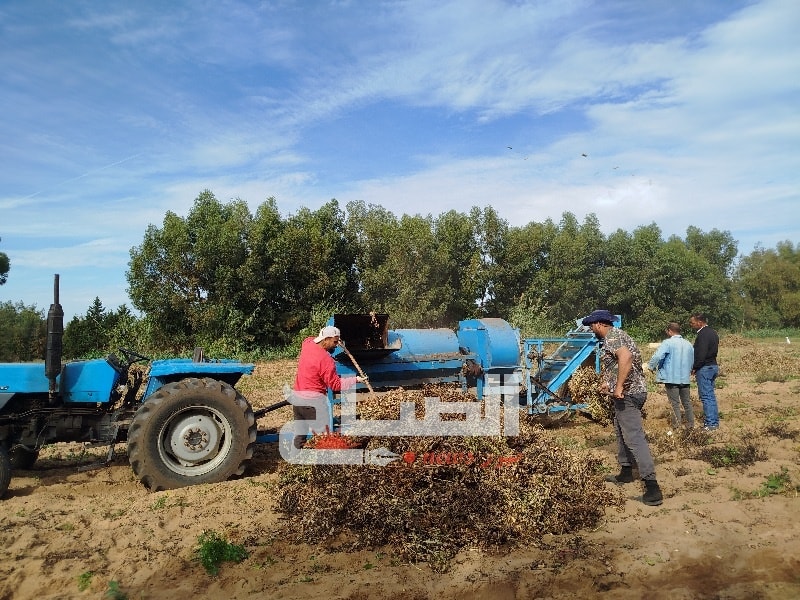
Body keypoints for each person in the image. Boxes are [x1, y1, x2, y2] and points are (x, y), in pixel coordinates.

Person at [582, 309, 663, 506]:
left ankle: (652, 488)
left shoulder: (613, 336)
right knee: (620, 430)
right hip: (628, 392)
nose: (591, 329)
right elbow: (618, 364)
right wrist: (608, 384)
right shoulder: (618, 336)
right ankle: (626, 472)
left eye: (592, 326)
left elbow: (625, 358)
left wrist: (618, 387)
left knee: (634, 438)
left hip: (629, 394)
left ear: (600, 324)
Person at [290, 325, 365, 448]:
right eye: (335, 342)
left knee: (300, 434)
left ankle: (297, 458)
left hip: (298, 400)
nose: (336, 345)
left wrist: (334, 338)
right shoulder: (325, 360)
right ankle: (324, 463)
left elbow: (308, 339)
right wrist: (355, 379)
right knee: (323, 438)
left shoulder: (307, 345)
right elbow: (336, 385)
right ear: (326, 339)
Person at [647, 322, 695, 429]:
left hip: (672, 378)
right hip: (685, 379)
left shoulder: (668, 343)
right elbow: (692, 360)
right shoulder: (688, 344)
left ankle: (676, 427)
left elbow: (658, 356)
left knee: (675, 404)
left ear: (670, 331)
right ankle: (691, 425)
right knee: (687, 403)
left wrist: (651, 367)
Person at [689, 312, 720, 431]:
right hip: (713, 366)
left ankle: (710, 424)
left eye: (692, 323)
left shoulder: (702, 335)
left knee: (706, 397)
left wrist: (695, 367)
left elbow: (701, 354)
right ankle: (714, 422)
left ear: (700, 322)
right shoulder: (713, 332)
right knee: (710, 396)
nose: (691, 325)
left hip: (705, 368)